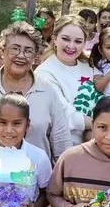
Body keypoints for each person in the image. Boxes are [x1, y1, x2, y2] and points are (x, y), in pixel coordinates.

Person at [0, 22, 74, 162]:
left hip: (35, 179)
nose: (21, 55)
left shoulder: (47, 91)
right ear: (3, 51)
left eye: (28, 51)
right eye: (15, 49)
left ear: (35, 57)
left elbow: (61, 143)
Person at [34, 15, 99, 146]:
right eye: (65, 39)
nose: (71, 46)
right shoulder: (44, 73)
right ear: (54, 39)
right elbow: (66, 117)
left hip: (100, 143)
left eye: (78, 41)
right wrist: (107, 124)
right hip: (68, 149)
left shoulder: (89, 66)